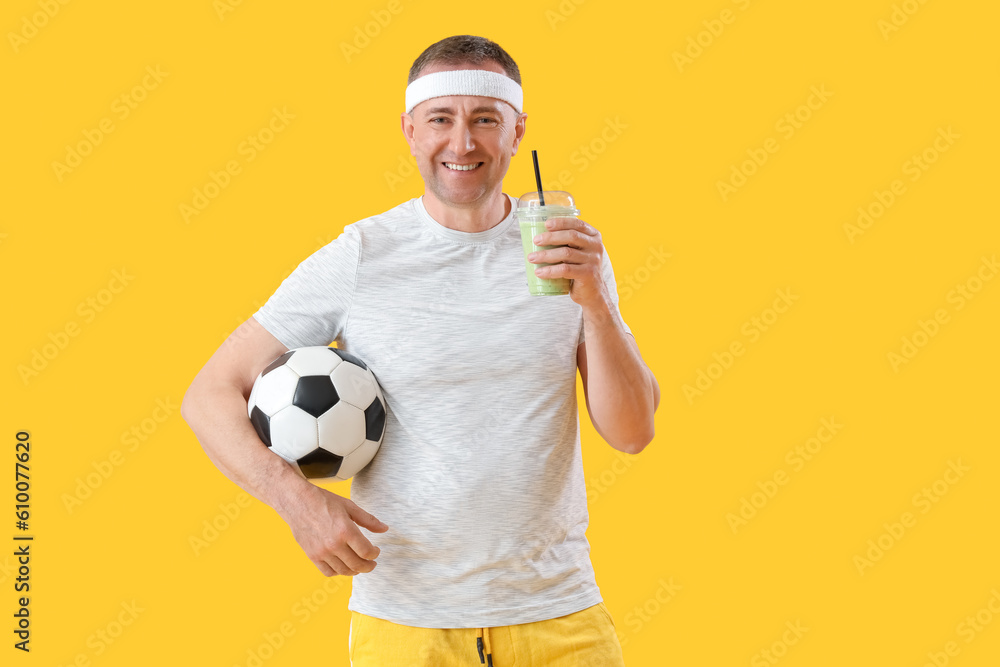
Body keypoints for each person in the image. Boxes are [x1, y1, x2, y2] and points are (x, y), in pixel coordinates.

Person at [181, 34, 660, 666]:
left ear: (517, 133)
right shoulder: (362, 256)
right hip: (408, 625)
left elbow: (631, 433)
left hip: (559, 613)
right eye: (441, 119)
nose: (462, 144)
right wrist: (297, 502)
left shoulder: (564, 251)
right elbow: (208, 395)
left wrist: (595, 302)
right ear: (410, 131)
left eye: (485, 120)